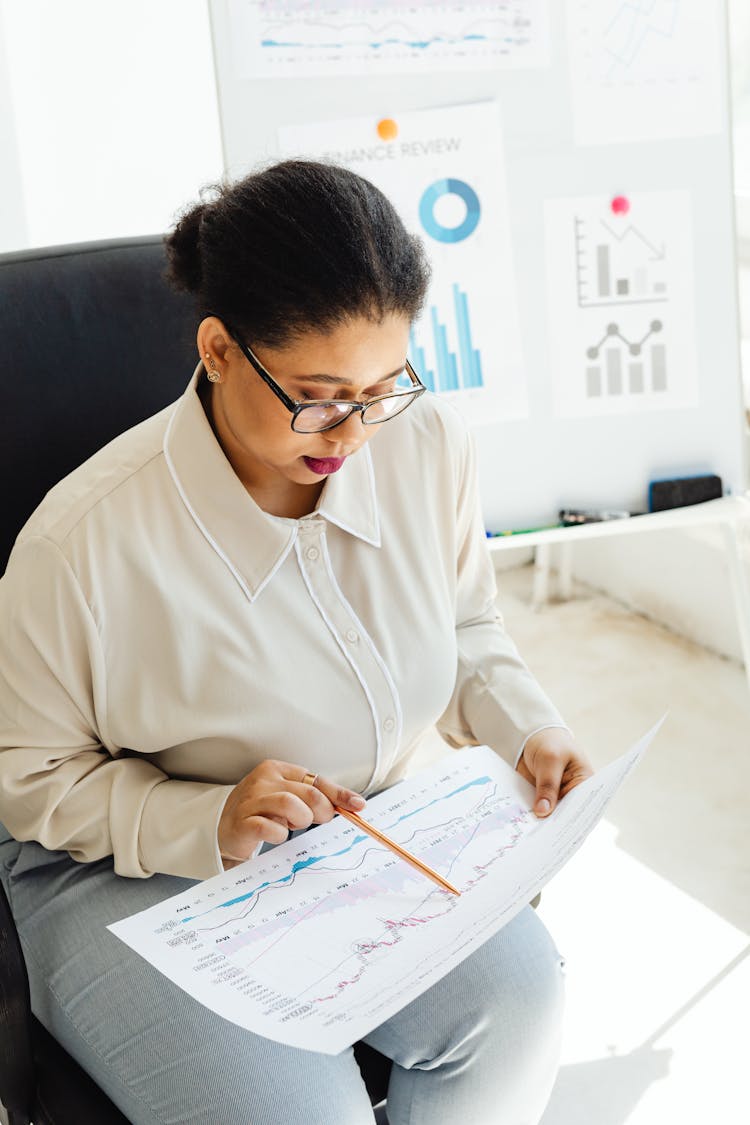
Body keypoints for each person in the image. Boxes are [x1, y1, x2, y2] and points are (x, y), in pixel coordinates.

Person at [0, 159, 592, 1125]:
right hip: (120, 873)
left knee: (519, 1003)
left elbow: (466, 619)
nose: (355, 431)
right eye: (318, 396)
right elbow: (28, 780)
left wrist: (525, 726)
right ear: (222, 350)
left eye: (384, 386)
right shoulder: (82, 544)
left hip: (362, 837)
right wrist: (208, 821)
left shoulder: (427, 443)